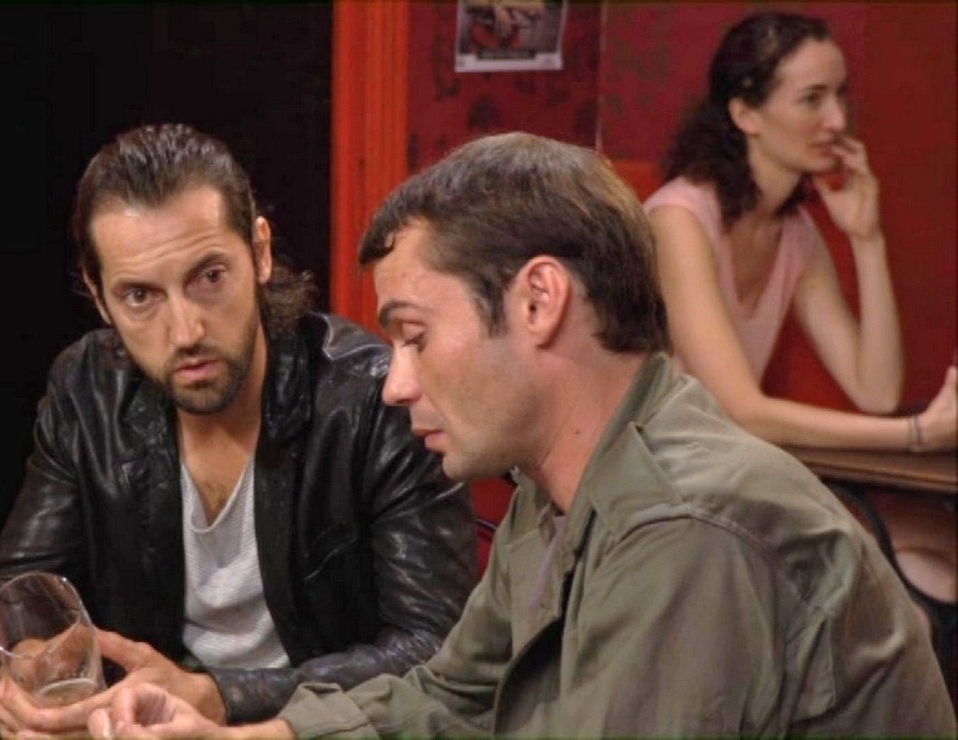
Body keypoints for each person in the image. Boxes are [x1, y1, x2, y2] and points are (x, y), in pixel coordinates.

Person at [85, 133, 957, 738]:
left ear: (538, 301)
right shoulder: (557, 485)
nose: (395, 382)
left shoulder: (683, 526)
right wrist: (241, 737)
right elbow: (453, 698)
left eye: (415, 335)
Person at [0, 123, 479, 734]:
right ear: (100, 298)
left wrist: (219, 697)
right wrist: (22, 675)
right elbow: (7, 595)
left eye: (209, 277)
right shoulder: (88, 390)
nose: (186, 333)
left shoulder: (375, 399)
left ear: (260, 252)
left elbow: (434, 650)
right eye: (140, 296)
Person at [644, 12, 956, 624]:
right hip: (666, 487)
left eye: (840, 95)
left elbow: (875, 389)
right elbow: (743, 410)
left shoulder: (794, 230)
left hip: (736, 473)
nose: (837, 120)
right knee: (911, 574)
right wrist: (917, 434)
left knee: (940, 556)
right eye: (813, 99)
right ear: (746, 114)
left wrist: (867, 239)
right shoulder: (678, 221)